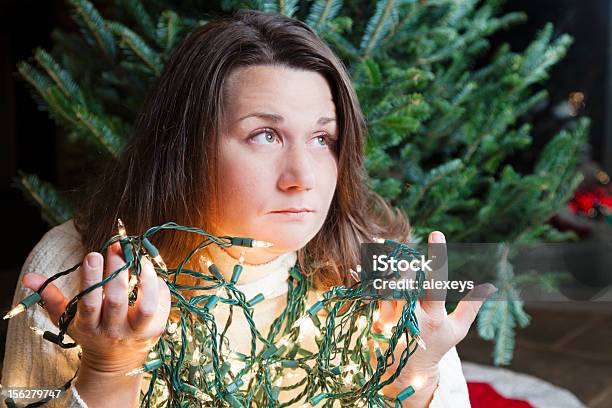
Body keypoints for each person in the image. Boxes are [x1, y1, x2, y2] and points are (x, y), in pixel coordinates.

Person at [2, 9, 497, 408]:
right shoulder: (80, 273)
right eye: (265, 135)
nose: (302, 177)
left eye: (323, 138)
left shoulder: (377, 275)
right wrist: (108, 371)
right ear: (186, 148)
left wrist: (416, 380)